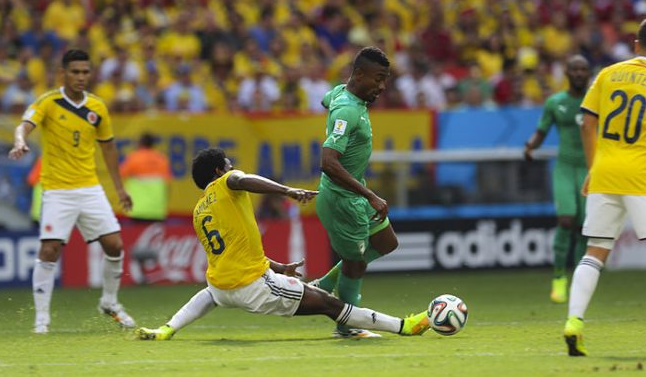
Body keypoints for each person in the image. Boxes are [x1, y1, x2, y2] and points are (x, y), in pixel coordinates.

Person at [135, 148, 429, 340]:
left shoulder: (200, 211)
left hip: (222, 288)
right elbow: (243, 178)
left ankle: (167, 329)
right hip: (252, 287)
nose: (233, 167)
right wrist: (288, 190)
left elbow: (233, 252)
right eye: (229, 164)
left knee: (211, 294)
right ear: (218, 172)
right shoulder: (226, 182)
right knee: (330, 304)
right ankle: (404, 326)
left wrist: (278, 266)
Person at [563, 16, 646, 356]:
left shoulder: (607, 74)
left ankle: (574, 322)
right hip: (645, 177)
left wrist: (593, 168)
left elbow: (586, 123)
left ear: (636, 45)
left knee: (595, 250)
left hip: (605, 174)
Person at [8, 49, 135, 334]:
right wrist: (19, 142)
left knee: (114, 245)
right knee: (49, 249)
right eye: (75, 71)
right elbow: (24, 125)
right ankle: (42, 320)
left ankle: (110, 302)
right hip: (57, 190)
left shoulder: (98, 108)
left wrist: (119, 188)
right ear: (63, 73)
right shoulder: (49, 102)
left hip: (89, 187)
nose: (80, 77)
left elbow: (109, 148)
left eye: (85, 72)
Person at [310, 46, 400, 339]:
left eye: (385, 79)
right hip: (343, 200)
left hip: (355, 196)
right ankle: (347, 325)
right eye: (377, 79)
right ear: (359, 74)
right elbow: (328, 162)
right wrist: (370, 195)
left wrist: (336, 102)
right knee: (355, 265)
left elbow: (327, 99)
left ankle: (323, 285)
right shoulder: (348, 109)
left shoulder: (340, 94)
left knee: (387, 243)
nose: (382, 86)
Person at [524, 55, 592, 303]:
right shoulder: (555, 102)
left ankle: (580, 281)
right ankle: (559, 277)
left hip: (589, 169)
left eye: (583, 69)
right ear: (566, 72)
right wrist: (530, 147)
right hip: (564, 167)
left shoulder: (596, 101)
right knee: (566, 220)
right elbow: (541, 130)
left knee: (586, 226)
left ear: (588, 73)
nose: (578, 73)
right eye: (574, 69)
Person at [119, 133, 171, 222]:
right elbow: (168, 182)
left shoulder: (134, 158)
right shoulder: (162, 159)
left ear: (140, 143)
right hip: (157, 210)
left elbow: (121, 173)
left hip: (137, 209)